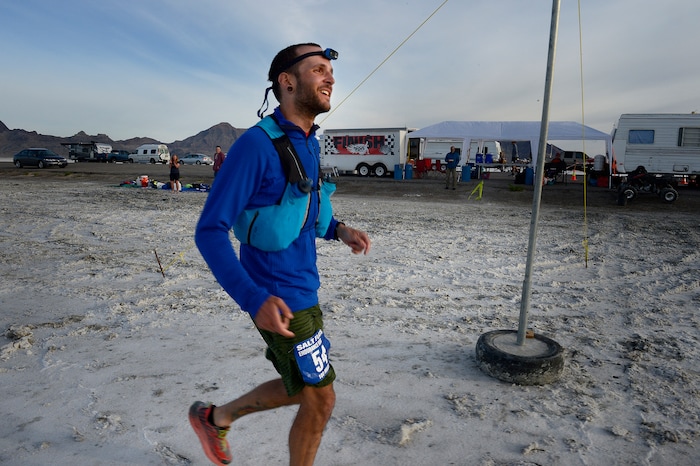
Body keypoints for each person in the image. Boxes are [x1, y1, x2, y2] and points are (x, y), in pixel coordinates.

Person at [188, 43, 371, 466]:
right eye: (318, 70)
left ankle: (215, 419)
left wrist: (339, 229)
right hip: (278, 300)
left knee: (299, 387)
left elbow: (300, 210)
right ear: (287, 83)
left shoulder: (307, 142)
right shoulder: (255, 147)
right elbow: (210, 231)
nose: (330, 79)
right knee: (321, 399)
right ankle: (217, 420)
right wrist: (254, 299)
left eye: (330, 71)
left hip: (305, 290)